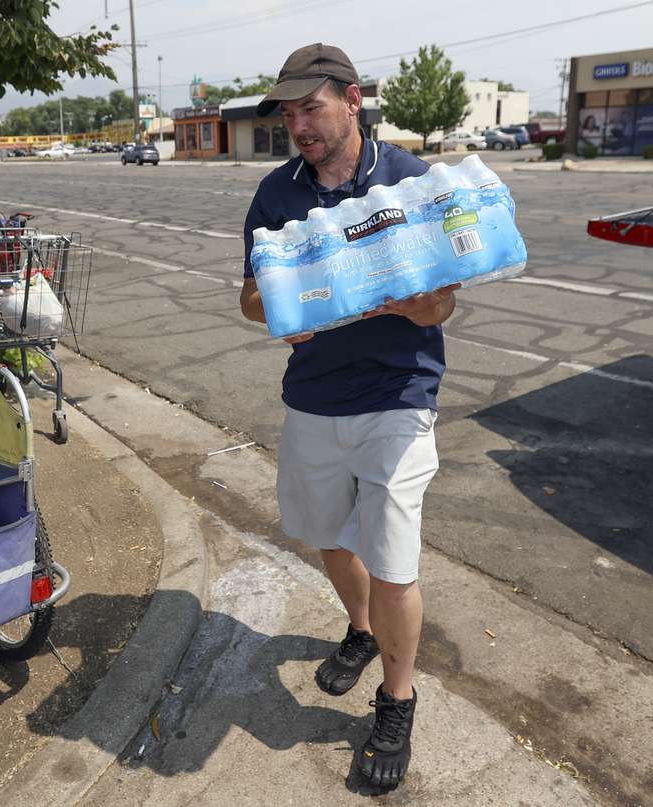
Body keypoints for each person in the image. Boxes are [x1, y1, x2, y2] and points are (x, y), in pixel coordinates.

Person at [239, 43, 459, 791]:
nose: (298, 124)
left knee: (393, 559)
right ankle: (360, 631)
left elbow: (445, 302)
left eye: (312, 107)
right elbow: (248, 295)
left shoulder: (411, 179)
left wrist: (415, 302)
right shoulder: (276, 194)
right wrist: (276, 309)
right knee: (328, 533)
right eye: (289, 112)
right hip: (314, 396)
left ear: (353, 98)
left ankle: (397, 700)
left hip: (399, 393)